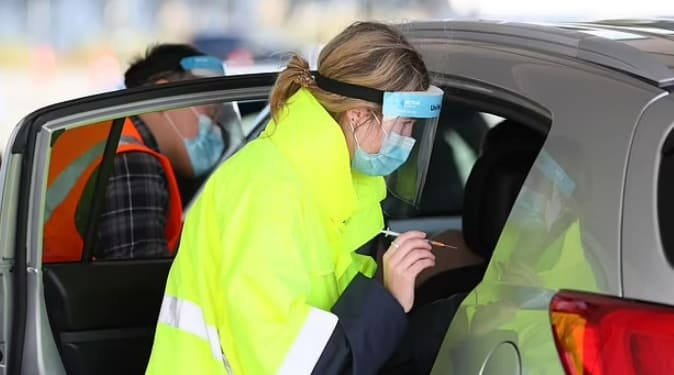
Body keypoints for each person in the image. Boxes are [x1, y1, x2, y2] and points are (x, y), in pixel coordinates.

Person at [146, 21, 453, 374]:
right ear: (358, 117)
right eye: (404, 124)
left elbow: (333, 309)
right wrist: (387, 300)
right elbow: (288, 364)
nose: (409, 138)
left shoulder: (328, 186)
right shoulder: (268, 190)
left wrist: (398, 282)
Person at [43, 44, 228, 262]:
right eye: (210, 110)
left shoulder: (96, 134)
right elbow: (140, 286)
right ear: (164, 94)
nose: (215, 128)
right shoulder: (133, 162)